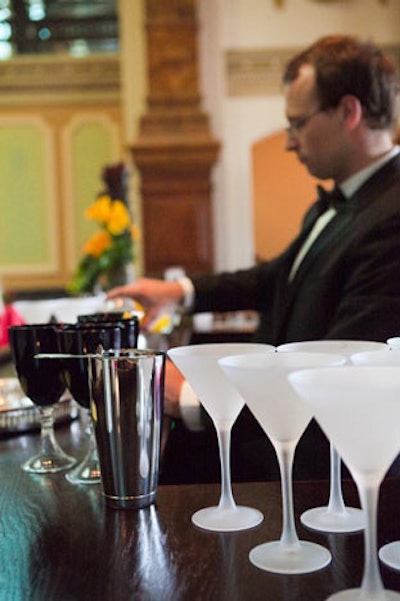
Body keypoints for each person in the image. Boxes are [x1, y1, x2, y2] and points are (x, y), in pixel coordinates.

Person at [108, 35, 400, 482]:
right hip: (276, 446)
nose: (289, 142)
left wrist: (193, 398)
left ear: (348, 112)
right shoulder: (342, 200)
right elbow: (273, 279)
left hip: (321, 477)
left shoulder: (393, 216)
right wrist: (177, 292)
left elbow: (342, 375)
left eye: (298, 123)